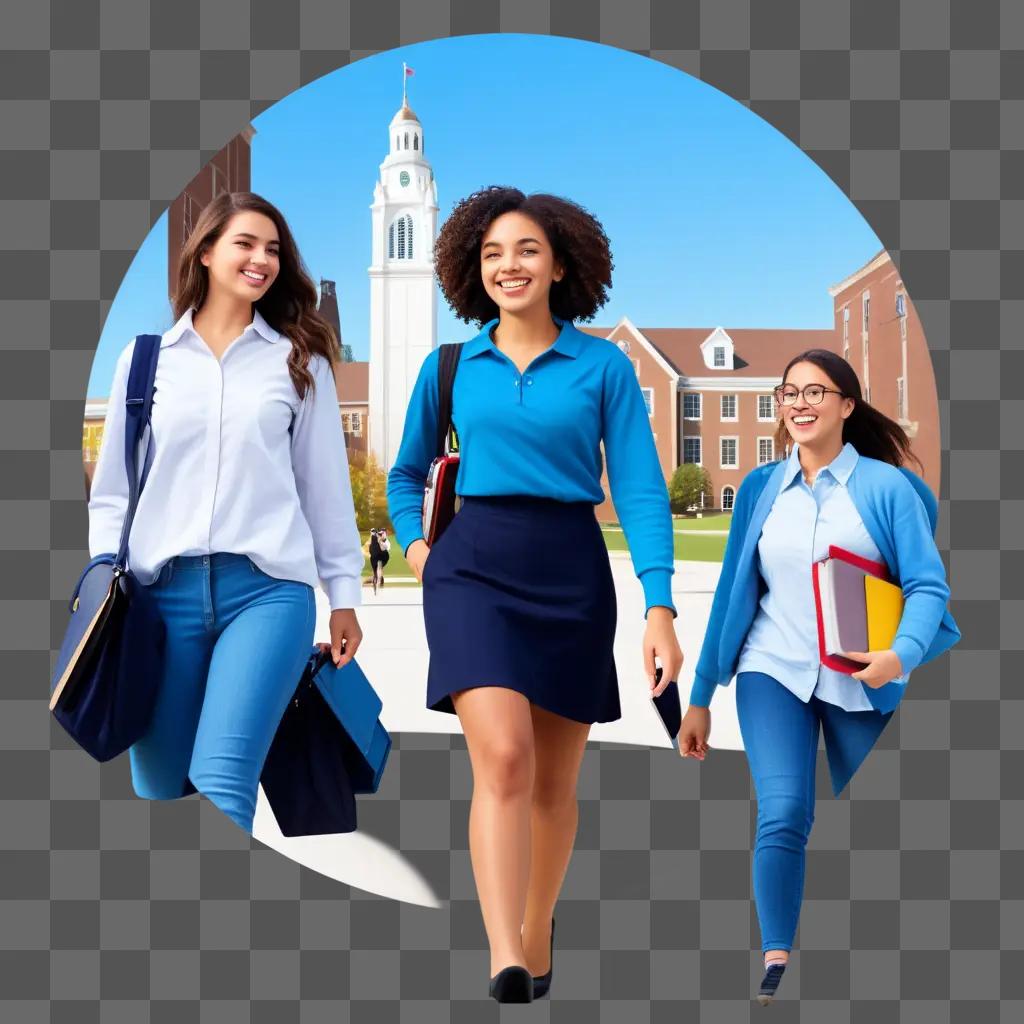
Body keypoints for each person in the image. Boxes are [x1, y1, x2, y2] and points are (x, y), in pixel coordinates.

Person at [387, 186, 684, 1002]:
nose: (508, 265)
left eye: (524, 250)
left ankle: (537, 923)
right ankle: (503, 953)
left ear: (559, 264)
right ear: (471, 271)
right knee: (506, 760)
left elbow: (640, 488)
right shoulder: (449, 366)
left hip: (570, 572)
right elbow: (406, 472)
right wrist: (420, 550)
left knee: (554, 785)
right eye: (491, 254)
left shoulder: (604, 366)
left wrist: (659, 606)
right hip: (471, 569)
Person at [677, 348, 960, 1003]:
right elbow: (730, 595)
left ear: (846, 405)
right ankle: (777, 958)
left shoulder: (886, 490)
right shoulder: (760, 488)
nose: (798, 404)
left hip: (864, 675)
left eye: (815, 392)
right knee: (782, 811)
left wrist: (900, 656)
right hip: (769, 669)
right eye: (788, 393)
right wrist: (700, 698)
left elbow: (926, 584)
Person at [88, 191, 364, 834]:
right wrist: (104, 576)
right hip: (160, 601)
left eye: (273, 249)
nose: (261, 259)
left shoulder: (301, 361)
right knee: (160, 788)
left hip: (265, 595)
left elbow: (324, 490)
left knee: (221, 781)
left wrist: (344, 595)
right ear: (207, 252)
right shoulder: (145, 361)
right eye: (245, 244)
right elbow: (112, 493)